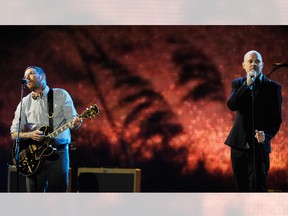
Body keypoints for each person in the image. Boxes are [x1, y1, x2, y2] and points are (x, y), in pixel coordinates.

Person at [10, 66, 83, 192]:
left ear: (42, 77)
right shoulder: (25, 102)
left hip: (58, 153)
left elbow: (73, 123)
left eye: (31, 74)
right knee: (34, 197)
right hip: (33, 155)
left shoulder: (61, 95)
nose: (26, 78)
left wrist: (76, 123)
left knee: (57, 194)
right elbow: (14, 133)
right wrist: (30, 135)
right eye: (25, 75)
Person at [224, 50, 282, 192]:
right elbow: (232, 105)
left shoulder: (273, 87)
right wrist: (247, 85)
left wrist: (266, 135)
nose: (253, 64)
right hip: (238, 146)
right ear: (244, 65)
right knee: (241, 190)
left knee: (257, 189)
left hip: (259, 148)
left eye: (257, 61)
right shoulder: (238, 84)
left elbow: (276, 120)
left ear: (262, 65)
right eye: (250, 61)